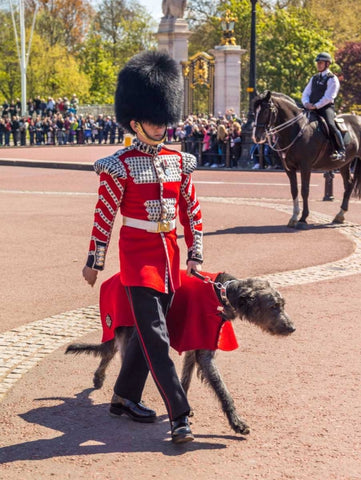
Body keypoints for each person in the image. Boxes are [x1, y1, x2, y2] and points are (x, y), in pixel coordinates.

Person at [82, 51, 203, 444]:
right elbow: (104, 215)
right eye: (154, 118)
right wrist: (94, 261)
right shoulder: (119, 164)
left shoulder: (179, 161)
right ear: (135, 122)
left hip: (168, 258)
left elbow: (192, 209)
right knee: (156, 338)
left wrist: (195, 253)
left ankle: (124, 397)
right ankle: (180, 415)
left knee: (148, 334)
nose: (161, 125)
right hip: (137, 259)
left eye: (163, 117)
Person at [302, 52, 345, 161]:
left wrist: (315, 106)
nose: (318, 65)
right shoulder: (314, 78)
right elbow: (306, 93)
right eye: (318, 63)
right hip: (310, 107)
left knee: (330, 124)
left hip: (325, 108)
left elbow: (329, 97)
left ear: (327, 64)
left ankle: (341, 150)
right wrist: (306, 103)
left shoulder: (332, 79)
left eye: (320, 63)